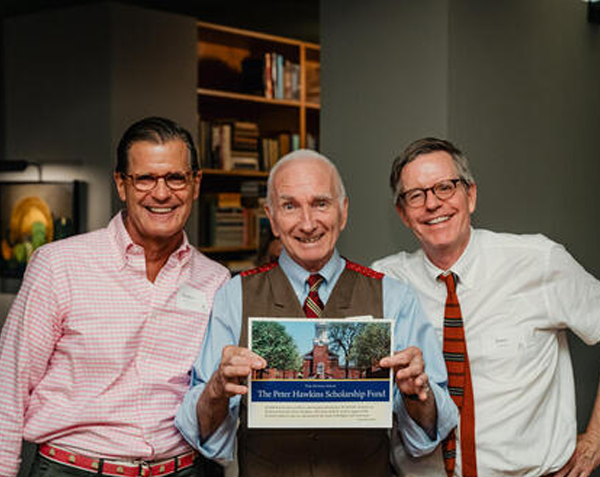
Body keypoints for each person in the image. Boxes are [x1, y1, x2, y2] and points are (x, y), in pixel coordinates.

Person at [175, 149, 458, 477]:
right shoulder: (233, 296)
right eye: (290, 206)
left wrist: (417, 395)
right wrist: (215, 390)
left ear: (343, 212)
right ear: (272, 217)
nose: (307, 223)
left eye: (321, 203)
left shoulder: (394, 297)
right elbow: (203, 434)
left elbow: (429, 432)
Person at [0, 117, 230, 477]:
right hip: (75, 469)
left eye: (175, 178)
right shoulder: (59, 265)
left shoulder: (215, 281)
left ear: (195, 184)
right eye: (145, 179)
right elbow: (8, 386)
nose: (162, 193)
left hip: (184, 469)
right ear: (121, 184)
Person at [372, 137, 600, 477]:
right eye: (415, 195)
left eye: (445, 188)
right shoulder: (383, 281)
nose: (432, 204)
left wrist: (595, 439)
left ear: (471, 195)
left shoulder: (539, 261)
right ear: (403, 214)